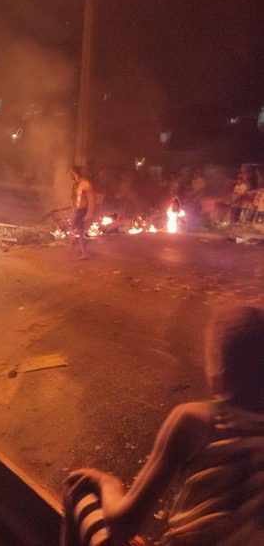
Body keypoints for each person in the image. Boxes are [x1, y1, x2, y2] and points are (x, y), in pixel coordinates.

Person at [61, 306, 264, 545]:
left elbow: (122, 524)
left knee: (77, 490)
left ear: (218, 378)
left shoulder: (197, 421)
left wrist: (107, 482)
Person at [69, 166, 95, 260]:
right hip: (77, 211)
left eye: (71, 174)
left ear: (75, 173)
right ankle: (76, 251)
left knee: (79, 232)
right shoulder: (77, 184)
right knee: (73, 230)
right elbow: (75, 199)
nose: (69, 176)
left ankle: (84, 253)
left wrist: (89, 214)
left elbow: (91, 200)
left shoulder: (85, 184)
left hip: (82, 211)